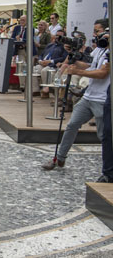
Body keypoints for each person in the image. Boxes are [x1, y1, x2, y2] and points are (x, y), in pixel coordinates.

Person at [42, 19, 110, 170]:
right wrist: (73, 55)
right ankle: (60, 158)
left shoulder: (109, 51)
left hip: (102, 99)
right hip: (89, 97)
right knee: (72, 125)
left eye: (97, 31)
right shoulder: (99, 49)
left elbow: (103, 73)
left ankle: (108, 168)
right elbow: (89, 65)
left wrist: (77, 71)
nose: (94, 34)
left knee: (104, 136)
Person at [34, 30, 68, 97]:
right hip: (43, 63)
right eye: (56, 35)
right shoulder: (50, 45)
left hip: (52, 65)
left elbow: (63, 58)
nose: (57, 37)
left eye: (60, 36)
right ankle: (35, 90)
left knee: (45, 71)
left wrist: (51, 61)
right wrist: (40, 61)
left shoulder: (64, 47)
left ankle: (46, 90)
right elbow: (42, 54)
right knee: (32, 69)